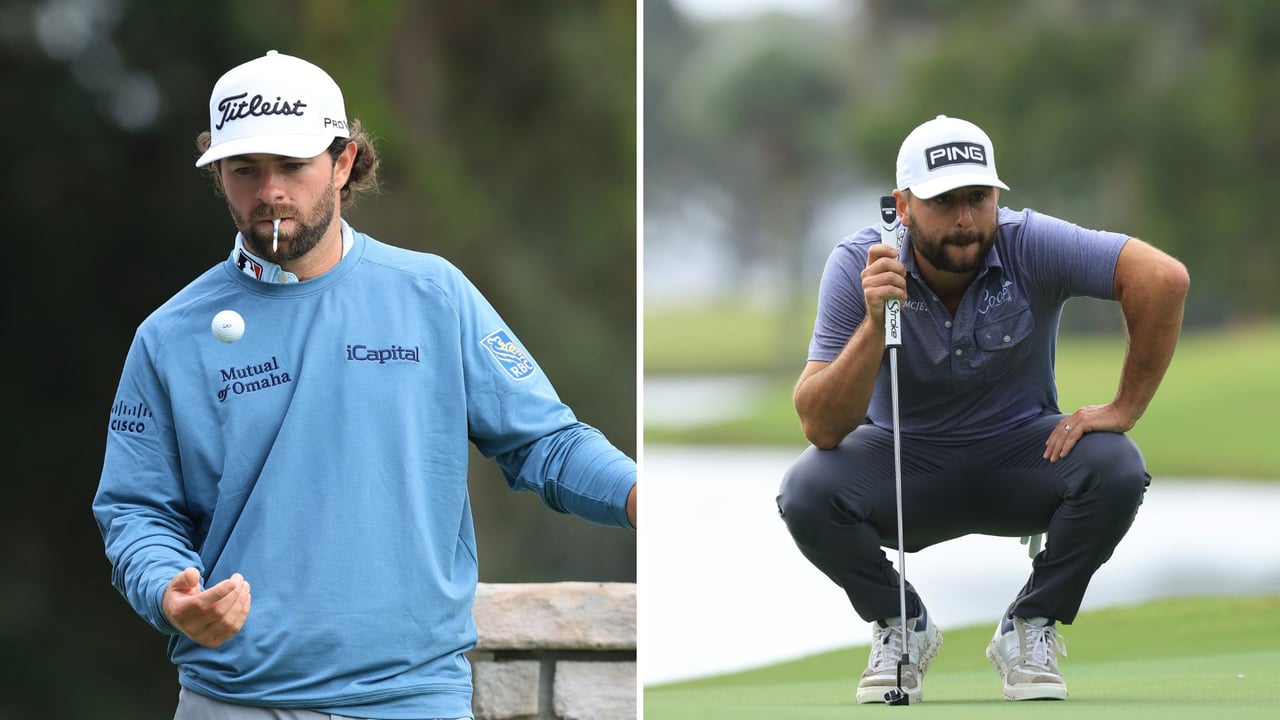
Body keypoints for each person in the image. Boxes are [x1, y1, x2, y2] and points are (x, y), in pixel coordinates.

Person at [93, 50, 637, 720]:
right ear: (220, 176)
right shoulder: (169, 335)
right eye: (245, 171)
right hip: (232, 701)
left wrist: (640, 495)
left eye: (292, 166)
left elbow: (546, 445)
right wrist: (167, 593)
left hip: (410, 700)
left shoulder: (433, 294)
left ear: (343, 162)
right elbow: (136, 510)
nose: (269, 192)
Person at [776, 115, 1188, 704]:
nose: (966, 220)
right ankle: (902, 627)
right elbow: (819, 424)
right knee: (806, 491)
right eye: (945, 202)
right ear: (904, 204)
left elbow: (1163, 279)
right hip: (903, 470)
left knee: (1117, 466)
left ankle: (1030, 626)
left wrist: (1125, 406)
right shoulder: (858, 263)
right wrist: (874, 325)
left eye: (979, 198)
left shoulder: (1030, 242)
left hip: (1022, 459)